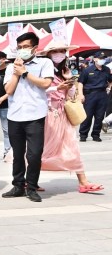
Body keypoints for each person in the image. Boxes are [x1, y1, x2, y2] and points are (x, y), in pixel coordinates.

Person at [39, 43, 104, 193]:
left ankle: (83, 181)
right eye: (55, 51)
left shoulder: (65, 71)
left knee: (72, 147)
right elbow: (40, 89)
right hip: (47, 113)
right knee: (40, 149)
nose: (59, 54)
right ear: (48, 54)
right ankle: (28, 179)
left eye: (62, 51)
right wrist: (57, 87)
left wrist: (69, 82)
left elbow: (70, 94)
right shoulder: (43, 69)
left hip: (63, 114)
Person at [2, 32, 54, 203]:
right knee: (18, 154)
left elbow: (46, 84)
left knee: (34, 154)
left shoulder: (45, 62)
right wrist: (17, 73)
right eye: (20, 47)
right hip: (15, 115)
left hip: (35, 115)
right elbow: (8, 90)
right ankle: (18, 185)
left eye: (25, 47)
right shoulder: (11, 67)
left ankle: (31, 187)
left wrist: (25, 73)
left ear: (34, 48)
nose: (22, 50)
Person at [79, 50, 112, 142]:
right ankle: (83, 134)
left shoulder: (106, 69)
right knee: (87, 116)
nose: (102, 60)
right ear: (95, 59)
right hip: (90, 94)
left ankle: (96, 134)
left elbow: (110, 80)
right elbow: (80, 83)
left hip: (102, 94)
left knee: (99, 116)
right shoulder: (87, 70)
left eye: (103, 58)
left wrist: (108, 88)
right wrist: (81, 94)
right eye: (100, 58)